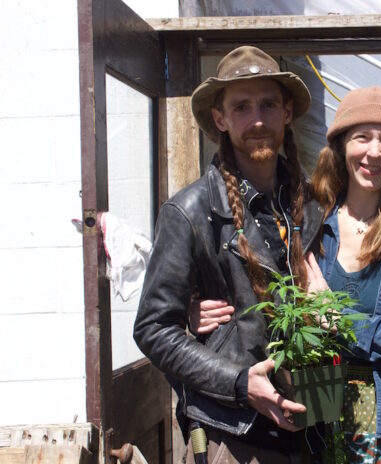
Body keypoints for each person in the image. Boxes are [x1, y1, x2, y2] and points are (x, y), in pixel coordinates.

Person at [195, 86, 381, 463]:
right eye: (361, 137)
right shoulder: (311, 226)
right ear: (341, 147)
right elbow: (259, 290)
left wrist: (337, 321)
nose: (374, 151)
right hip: (325, 429)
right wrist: (197, 313)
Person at [133, 45, 325, 463]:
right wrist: (240, 382)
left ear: (287, 112)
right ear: (220, 118)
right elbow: (152, 329)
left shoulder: (309, 207)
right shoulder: (190, 212)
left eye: (268, 104)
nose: (257, 120)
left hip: (308, 434)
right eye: (241, 107)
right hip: (233, 438)